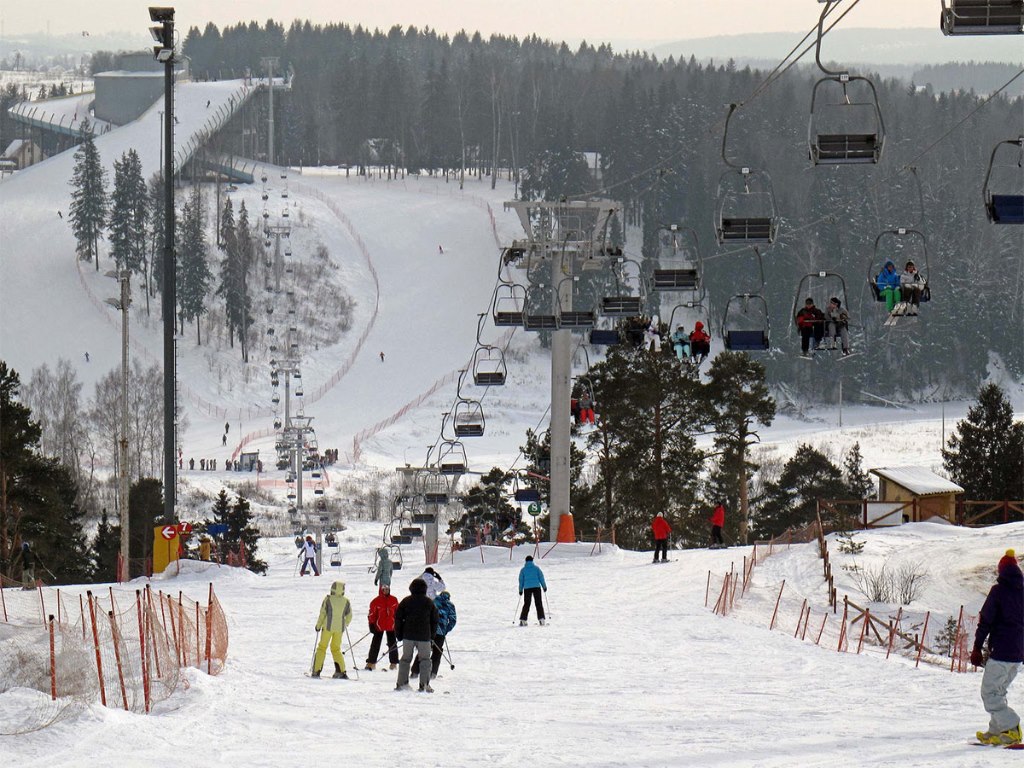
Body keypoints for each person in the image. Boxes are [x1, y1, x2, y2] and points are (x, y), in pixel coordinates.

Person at [972, 550, 1024, 745]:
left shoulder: (998, 591)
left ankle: (1011, 727)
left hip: (1002, 651)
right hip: (1018, 654)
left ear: (1001, 570)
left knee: (989, 693)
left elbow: (985, 620)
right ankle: (996, 731)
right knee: (998, 692)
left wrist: (977, 647)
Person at [395, 578, 439, 692]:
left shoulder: (406, 601)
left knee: (405, 659)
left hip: (408, 635)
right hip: (424, 637)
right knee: (425, 660)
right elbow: (435, 620)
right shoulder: (429, 602)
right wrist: (432, 636)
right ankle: (424, 685)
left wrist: (399, 634)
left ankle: (401, 683)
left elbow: (398, 618)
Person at [312, 580, 352, 679]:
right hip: (339, 629)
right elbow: (349, 616)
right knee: (336, 649)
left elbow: (322, 613)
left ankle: (316, 670)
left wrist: (318, 626)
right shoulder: (346, 601)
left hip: (327, 628)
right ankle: (341, 671)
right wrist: (344, 624)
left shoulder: (328, 599)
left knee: (322, 647)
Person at [365, 584, 399, 671]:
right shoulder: (376, 601)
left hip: (391, 625)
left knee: (392, 644)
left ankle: (393, 663)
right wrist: (371, 624)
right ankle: (371, 662)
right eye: (384, 589)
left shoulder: (394, 599)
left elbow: (397, 612)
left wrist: (399, 623)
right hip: (379, 626)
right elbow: (372, 613)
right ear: (381, 590)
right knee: (375, 644)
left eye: (388, 589)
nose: (386, 591)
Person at [518, 555, 547, 626]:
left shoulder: (523, 570)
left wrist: (520, 590)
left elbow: (521, 581)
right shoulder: (536, 568)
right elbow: (541, 577)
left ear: (526, 561)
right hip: (536, 587)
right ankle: (541, 619)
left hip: (527, 588)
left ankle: (523, 620)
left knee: (527, 603)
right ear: (532, 561)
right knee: (538, 603)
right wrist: (544, 586)